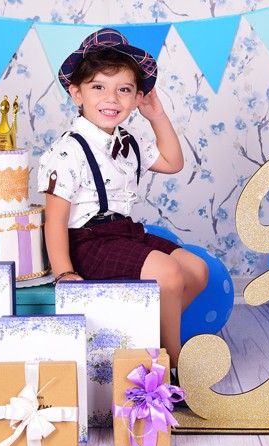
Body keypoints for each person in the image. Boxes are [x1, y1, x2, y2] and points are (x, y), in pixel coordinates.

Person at [37, 28, 208, 369]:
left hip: (125, 233)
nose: (112, 98)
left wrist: (156, 116)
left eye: (124, 89)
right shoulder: (68, 150)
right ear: (76, 93)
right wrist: (64, 273)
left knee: (197, 270)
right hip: (86, 242)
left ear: (136, 97)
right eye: (98, 87)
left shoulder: (127, 141)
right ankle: (171, 367)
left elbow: (173, 162)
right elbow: (54, 220)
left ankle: (145, 340)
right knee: (169, 274)